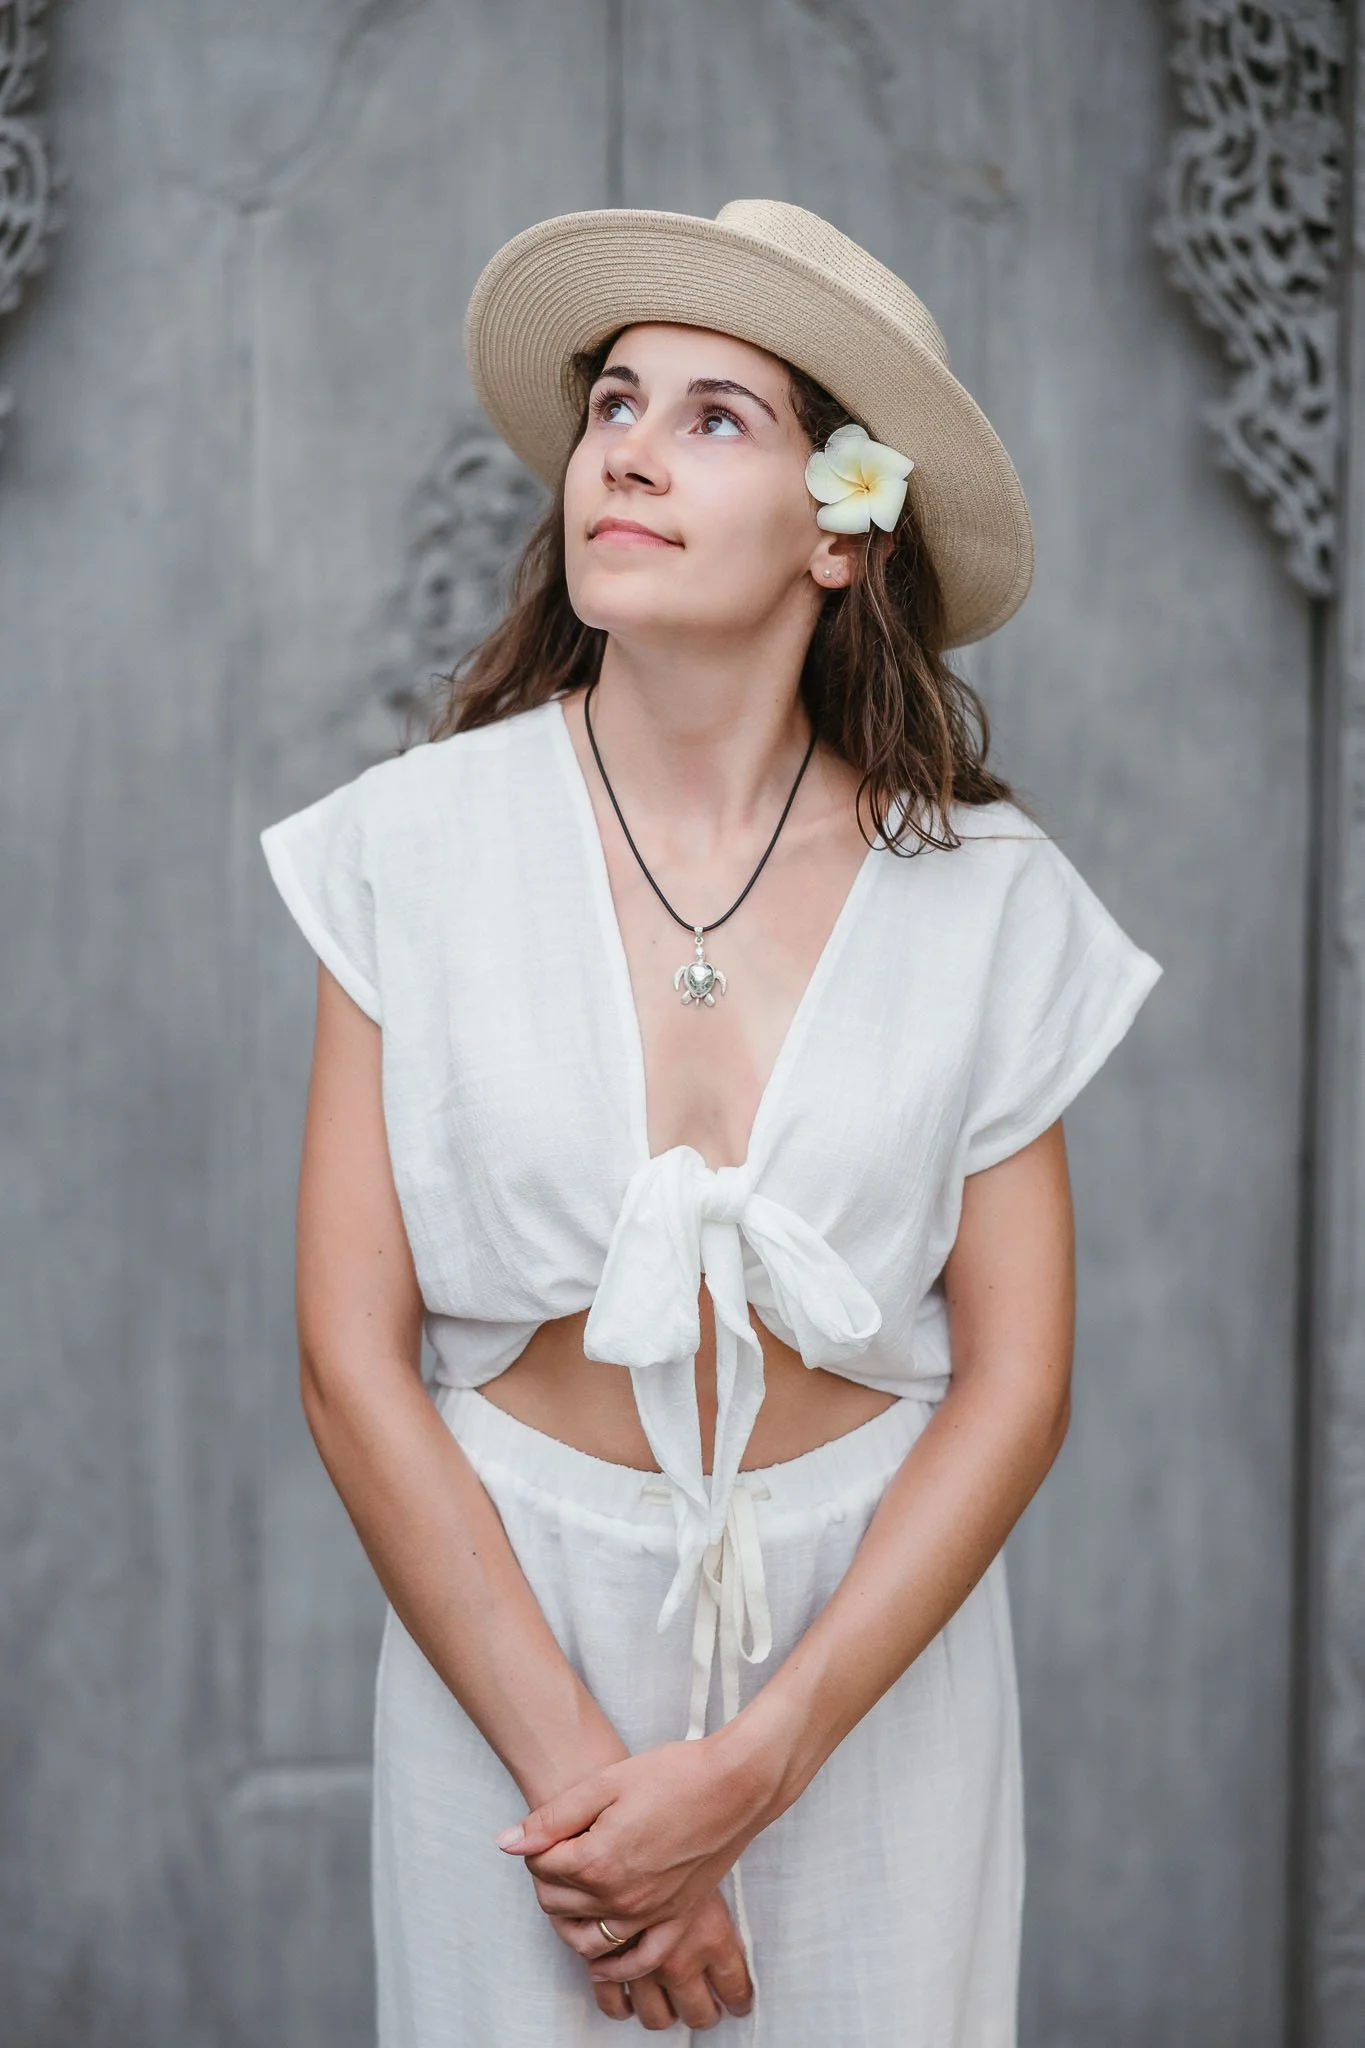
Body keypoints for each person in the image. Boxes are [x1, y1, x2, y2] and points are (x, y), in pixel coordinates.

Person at [259, 199, 1163, 2045]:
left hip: (865, 1672)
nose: (630, 455)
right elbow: (354, 1362)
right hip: (508, 1645)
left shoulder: (985, 899)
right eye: (614, 407)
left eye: (714, 416)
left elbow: (1017, 1384)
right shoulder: (409, 849)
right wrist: (605, 1808)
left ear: (843, 530)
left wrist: (756, 1768)